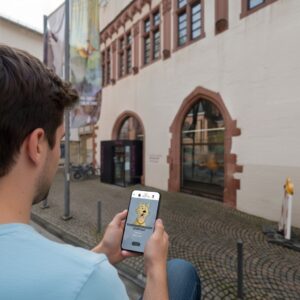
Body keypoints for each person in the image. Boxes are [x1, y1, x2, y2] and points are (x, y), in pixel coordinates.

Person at [0, 44, 200, 300]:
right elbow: (77, 282)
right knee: (181, 272)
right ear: (37, 145)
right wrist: (156, 269)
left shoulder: (80, 272)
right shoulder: (93, 279)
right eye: (60, 142)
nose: (59, 153)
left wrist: (103, 251)